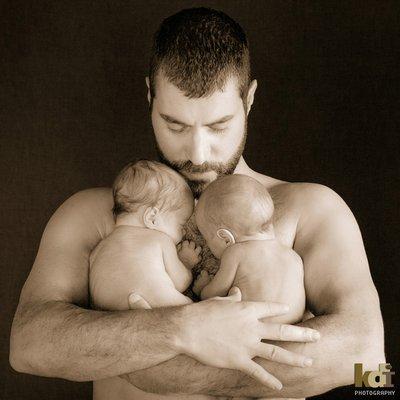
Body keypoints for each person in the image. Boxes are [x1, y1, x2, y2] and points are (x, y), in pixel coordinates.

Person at [9, 7, 384, 400]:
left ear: (249, 100)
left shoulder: (312, 210)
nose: (198, 153)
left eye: (218, 126)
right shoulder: (95, 216)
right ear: (150, 95)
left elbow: (371, 364)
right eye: (176, 125)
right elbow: (28, 345)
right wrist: (179, 329)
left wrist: (167, 371)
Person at [193, 174, 306, 326]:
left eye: (207, 238)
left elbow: (214, 295)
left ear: (226, 238)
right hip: (292, 327)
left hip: (251, 328)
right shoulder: (293, 256)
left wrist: (202, 288)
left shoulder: (236, 253)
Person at [89, 159, 200, 311]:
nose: (184, 232)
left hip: (111, 320)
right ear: (152, 218)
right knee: (196, 310)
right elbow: (180, 282)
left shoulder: (99, 249)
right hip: (163, 308)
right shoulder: (160, 239)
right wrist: (186, 262)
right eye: (181, 225)